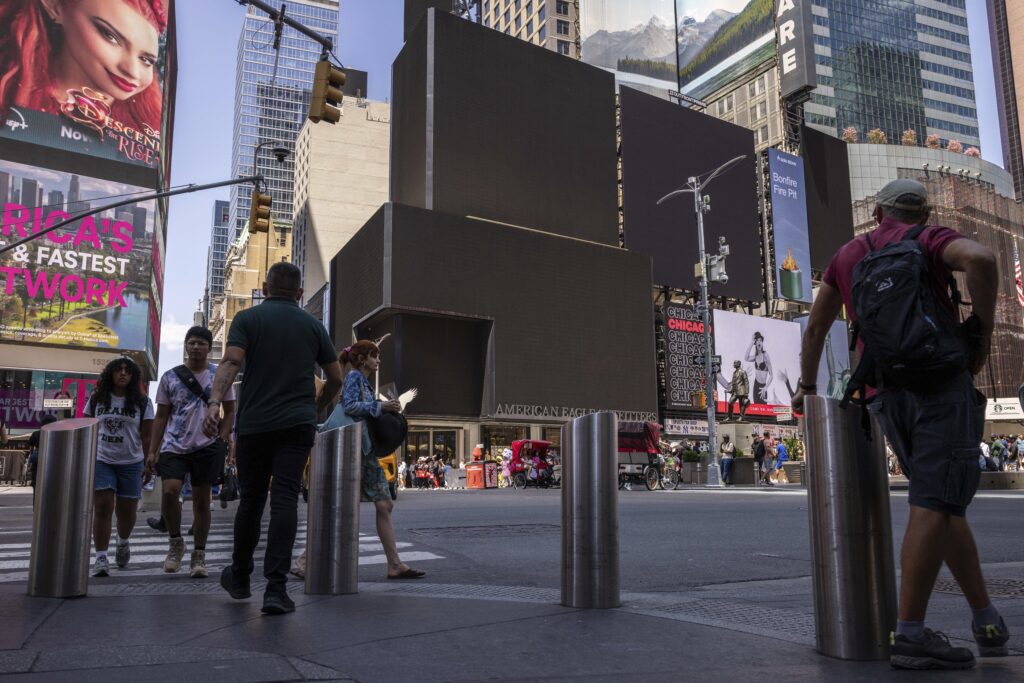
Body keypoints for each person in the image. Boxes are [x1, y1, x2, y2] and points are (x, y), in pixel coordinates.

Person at [792, 179, 1009, 669]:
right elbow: (982, 259)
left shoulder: (848, 255)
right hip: (940, 386)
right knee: (934, 500)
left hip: (886, 393)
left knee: (942, 503)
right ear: (924, 213)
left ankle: (987, 621)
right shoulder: (928, 240)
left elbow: (816, 329)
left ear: (877, 213)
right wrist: (982, 333)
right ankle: (910, 634)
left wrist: (806, 389)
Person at [203, 262, 343, 616]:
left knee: (251, 501)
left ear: (264, 288)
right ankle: (276, 589)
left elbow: (231, 362)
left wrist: (214, 403)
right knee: (285, 499)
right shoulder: (314, 326)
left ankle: (239, 576)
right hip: (297, 425)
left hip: (255, 424)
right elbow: (336, 378)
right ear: (299, 294)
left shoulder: (247, 321)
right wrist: (316, 407)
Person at [323, 340, 425, 580]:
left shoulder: (362, 380)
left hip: (362, 447)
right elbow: (348, 405)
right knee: (344, 506)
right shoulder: (354, 377)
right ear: (362, 359)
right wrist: (381, 406)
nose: (378, 360)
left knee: (383, 503)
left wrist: (384, 406)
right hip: (353, 445)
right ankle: (306, 560)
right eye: (374, 356)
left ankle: (395, 564)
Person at [0, 0, 167, 140]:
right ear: (55, 6)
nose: (133, 71)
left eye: (146, 60)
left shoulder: (149, 129)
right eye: (110, 36)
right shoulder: (10, 98)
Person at [146, 326, 235, 579]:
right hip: (174, 445)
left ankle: (199, 554)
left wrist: (223, 437)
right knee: (170, 490)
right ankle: (175, 542)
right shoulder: (170, 377)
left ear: (209, 347)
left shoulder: (220, 376)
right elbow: (161, 416)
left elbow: (230, 411)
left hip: (207, 446)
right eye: (191, 343)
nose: (196, 347)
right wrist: (153, 451)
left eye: (201, 343)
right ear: (185, 346)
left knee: (201, 499)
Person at [83, 357, 153, 577]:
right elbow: (86, 428)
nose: (123, 373)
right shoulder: (97, 400)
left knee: (127, 512)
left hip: (132, 462)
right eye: (118, 370)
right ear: (110, 374)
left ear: (133, 376)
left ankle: (122, 542)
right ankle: (101, 557)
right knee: (103, 506)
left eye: (127, 371)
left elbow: (147, 435)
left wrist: (149, 462)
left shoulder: (142, 402)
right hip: (102, 459)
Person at [27, 414, 59, 498]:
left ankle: (36, 506)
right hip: (51, 458)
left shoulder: (36, 433)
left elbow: (31, 449)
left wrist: (29, 461)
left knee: (36, 483)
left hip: (37, 458)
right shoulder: (56, 434)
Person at [745, 332, 773, 404]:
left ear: (762, 342)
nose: (759, 342)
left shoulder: (765, 355)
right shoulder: (756, 356)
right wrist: (751, 342)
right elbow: (746, 358)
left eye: (760, 340)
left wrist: (765, 388)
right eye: (757, 340)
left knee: (763, 410)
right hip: (756, 385)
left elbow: (771, 375)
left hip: (763, 387)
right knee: (756, 407)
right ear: (755, 343)